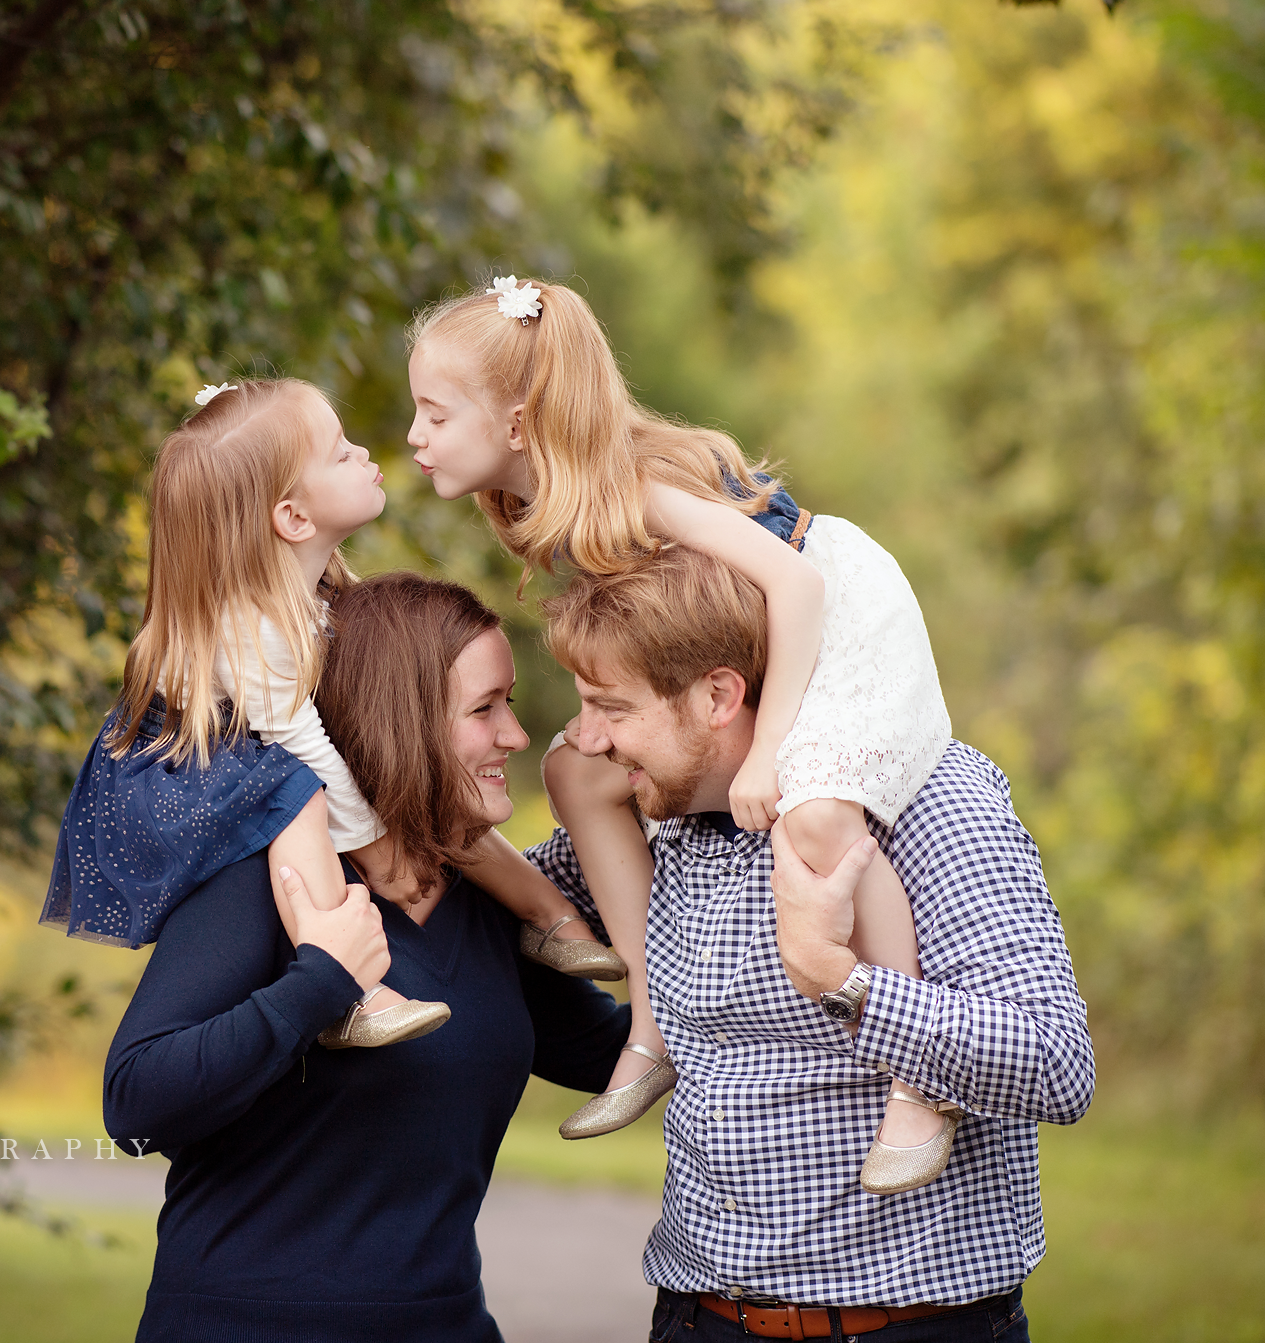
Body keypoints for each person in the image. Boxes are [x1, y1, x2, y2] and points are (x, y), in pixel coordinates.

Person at [408, 276, 958, 1191]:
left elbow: (798, 587)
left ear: (516, 423)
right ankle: (652, 1029)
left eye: (433, 413)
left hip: (839, 613)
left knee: (818, 815)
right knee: (575, 771)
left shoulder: (630, 485)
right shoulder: (550, 505)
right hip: (754, 639)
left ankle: (923, 1078)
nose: (415, 436)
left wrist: (775, 746)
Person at [532, 548, 1092, 1343]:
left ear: (719, 695)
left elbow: (1055, 1064)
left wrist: (841, 980)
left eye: (611, 707)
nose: (588, 737)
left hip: (905, 1342)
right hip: (696, 1329)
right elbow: (491, 914)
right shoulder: (662, 810)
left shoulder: (931, 798)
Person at [105, 572, 631, 1343]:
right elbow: (136, 1102)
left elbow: (619, 1055)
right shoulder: (267, 883)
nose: (517, 736)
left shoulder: (486, 907)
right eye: (485, 709)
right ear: (403, 722)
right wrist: (318, 982)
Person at [43, 377, 621, 1050]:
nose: (365, 450)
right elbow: (309, 758)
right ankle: (351, 988)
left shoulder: (310, 596)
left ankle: (553, 920)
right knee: (299, 804)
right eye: (341, 451)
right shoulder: (252, 635)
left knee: (427, 789)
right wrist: (383, 852)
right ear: (292, 517)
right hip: (193, 773)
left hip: (268, 757)